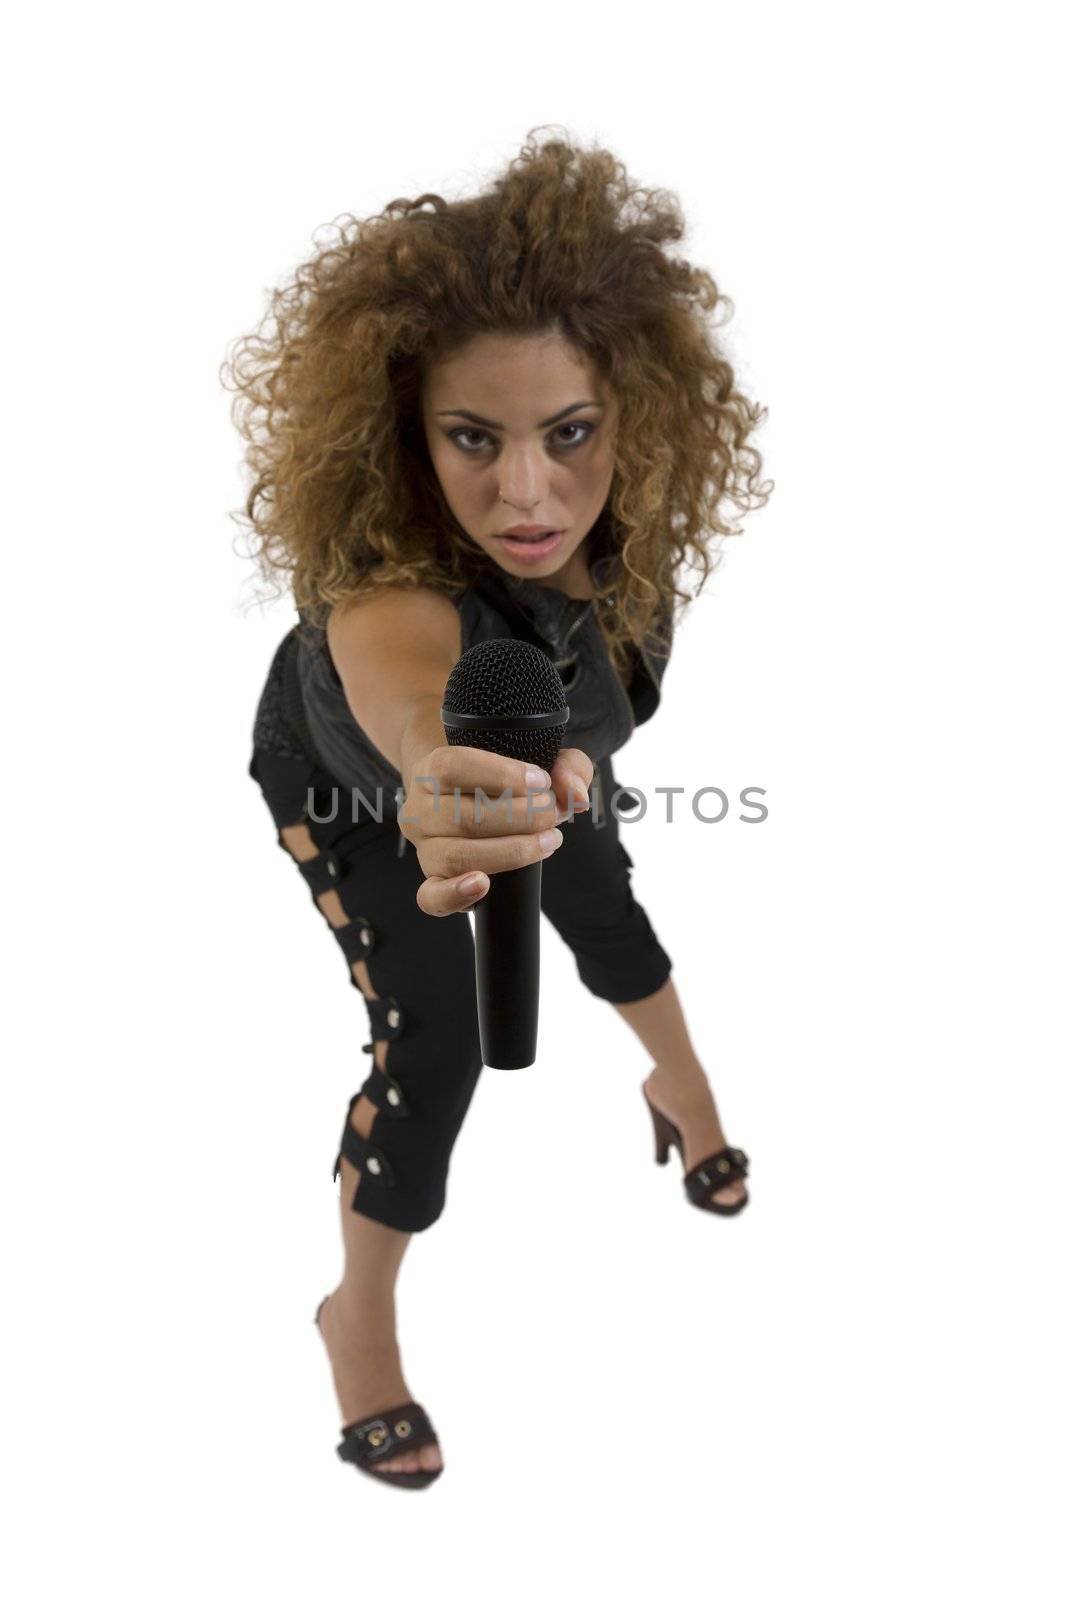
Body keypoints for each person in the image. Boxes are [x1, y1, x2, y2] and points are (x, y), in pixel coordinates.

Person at [223, 127, 771, 1489]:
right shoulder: (389, 581)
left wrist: (541, 778)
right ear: (410, 433)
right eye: (474, 438)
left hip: (547, 758)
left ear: (633, 414)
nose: (528, 494)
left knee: (609, 907)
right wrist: (431, 756)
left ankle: (684, 1092)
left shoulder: (626, 540)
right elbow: (406, 678)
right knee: (438, 1044)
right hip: (357, 796)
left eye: (569, 433)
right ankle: (357, 1320)